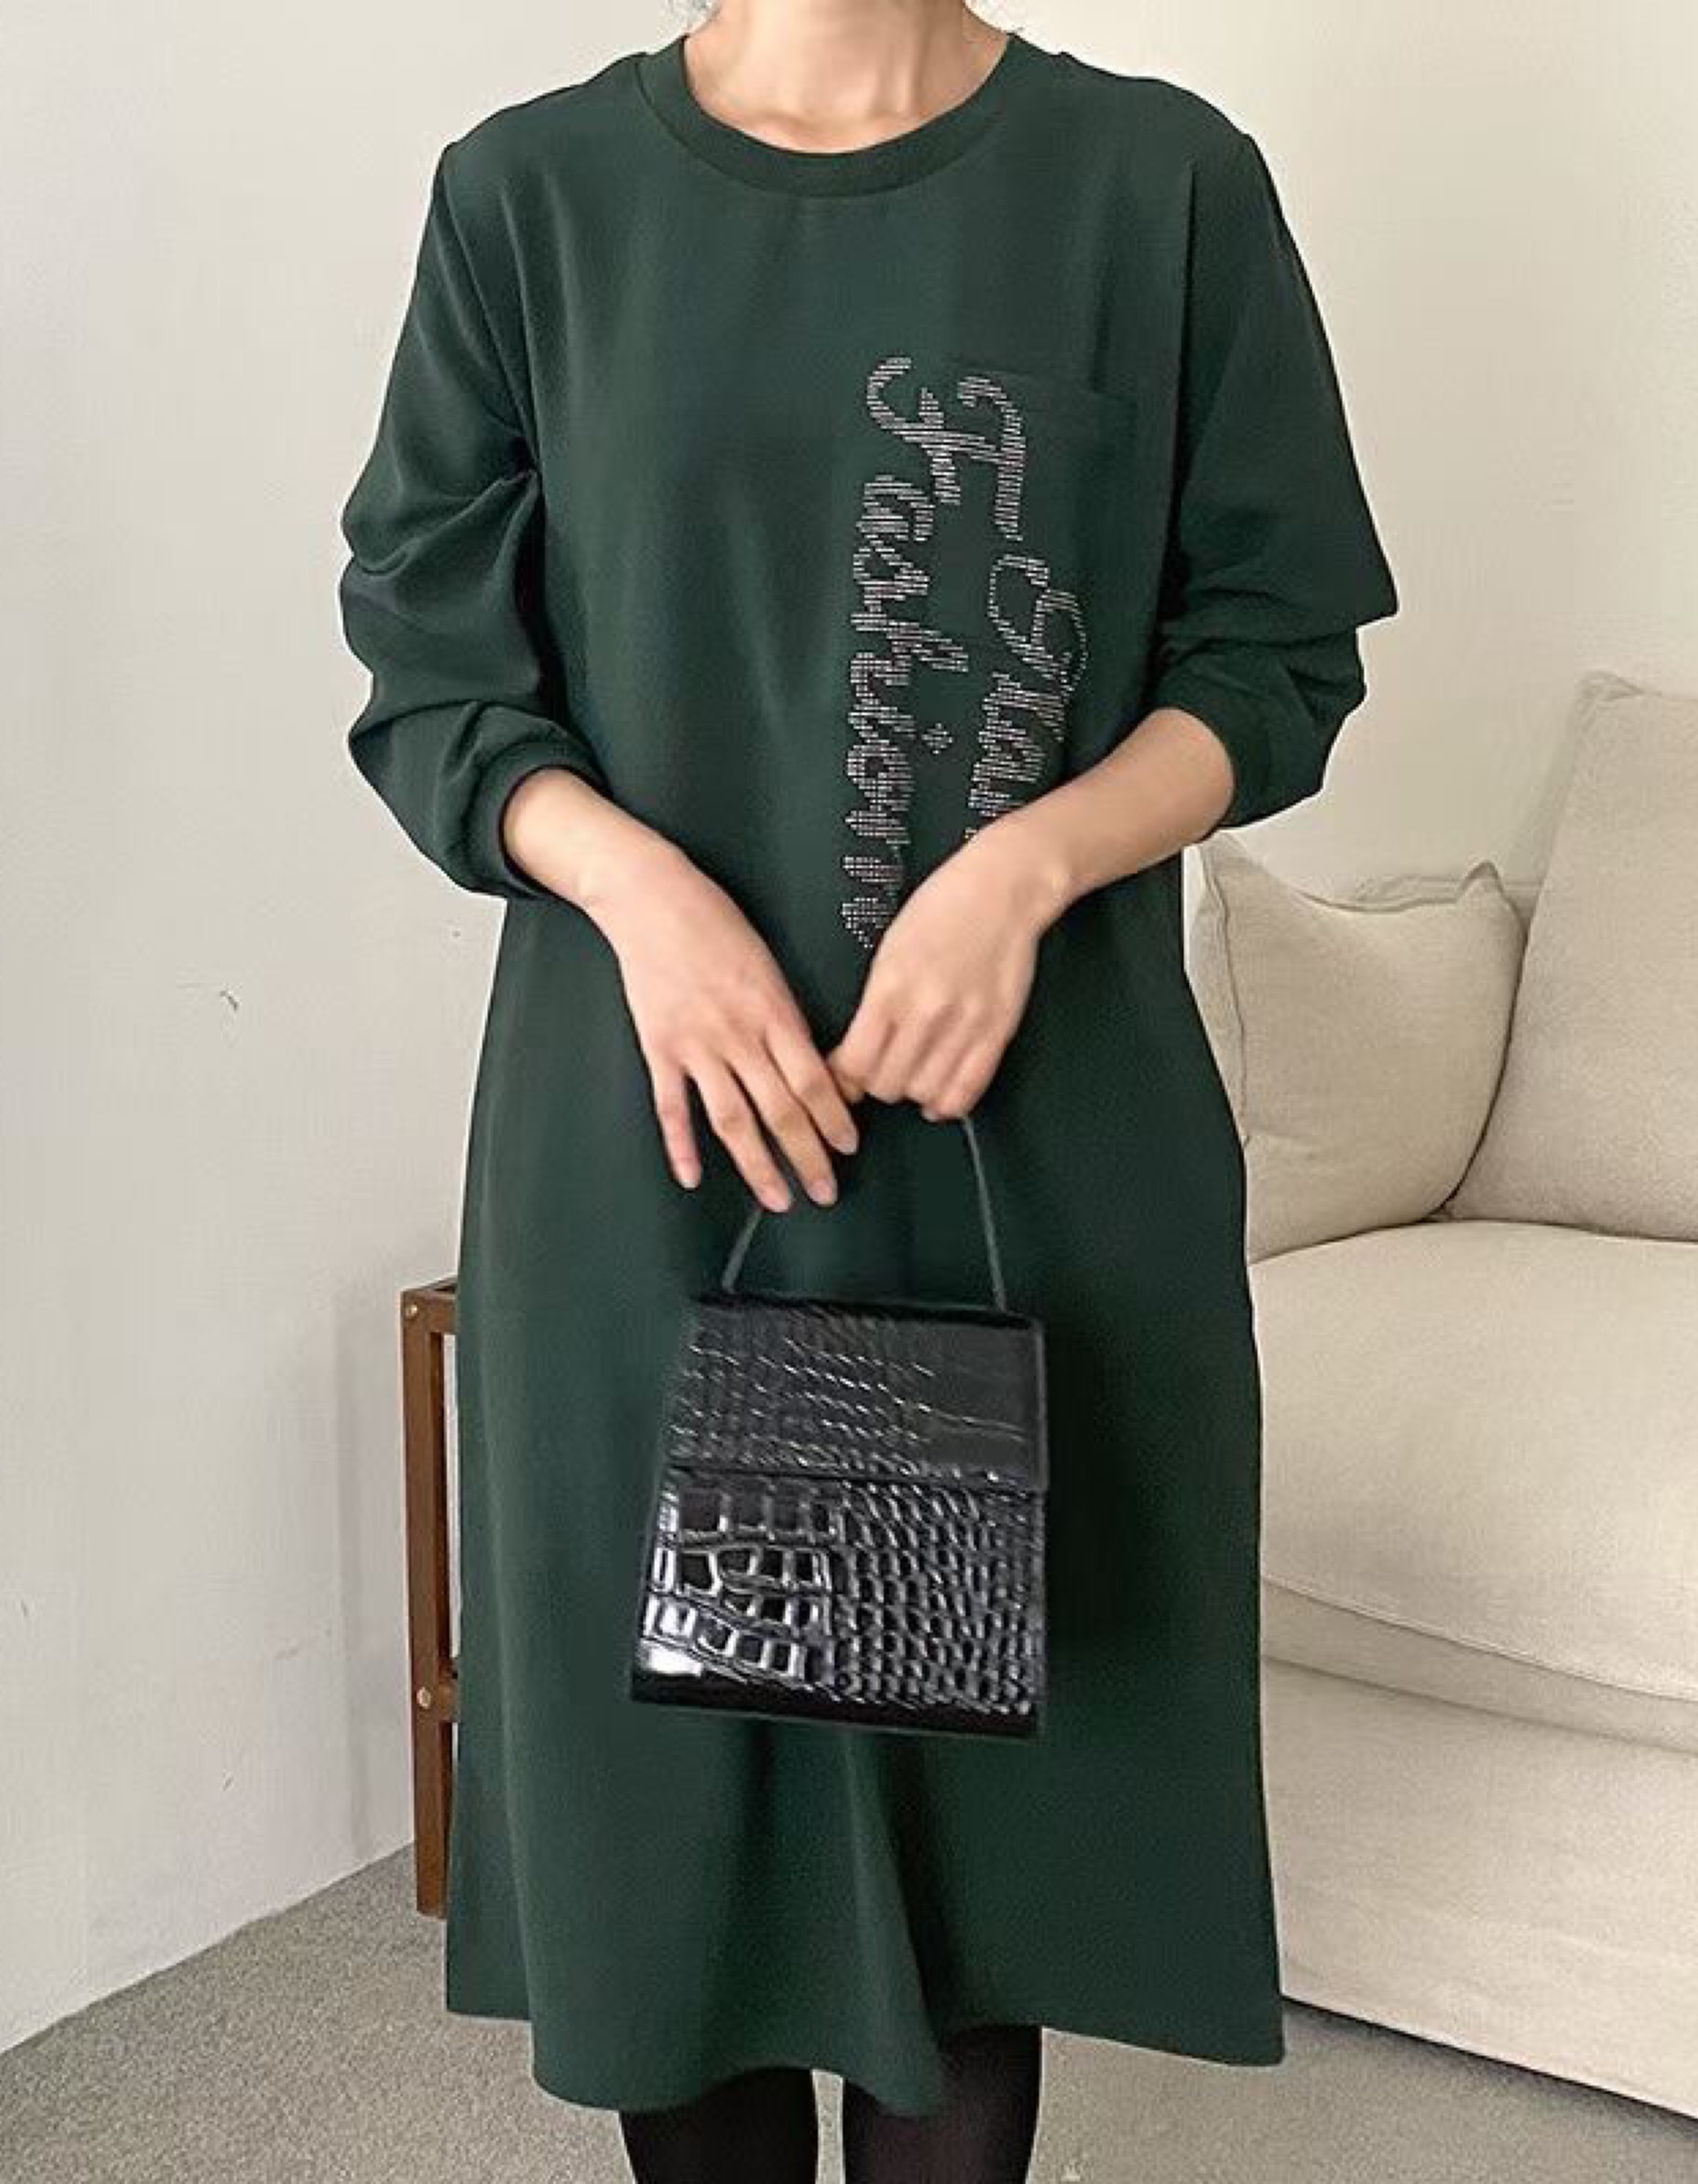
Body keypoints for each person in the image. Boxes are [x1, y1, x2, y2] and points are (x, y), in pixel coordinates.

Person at [336, 4, 1398, 2177]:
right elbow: (434, 670)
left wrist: (1032, 865)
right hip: (646, 1134)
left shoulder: (1158, 186)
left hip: (1030, 1135)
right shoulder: (530, 200)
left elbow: (1278, 648)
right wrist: (640, 893)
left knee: (974, 1845)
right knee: (667, 1842)